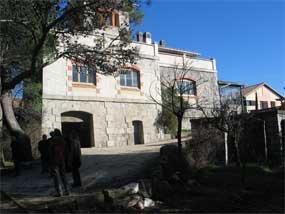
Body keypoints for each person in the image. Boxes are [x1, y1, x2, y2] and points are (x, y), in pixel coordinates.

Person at [49, 129, 70, 197]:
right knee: (63, 175)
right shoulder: (63, 141)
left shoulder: (53, 140)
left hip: (55, 160)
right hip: (62, 160)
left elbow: (51, 151)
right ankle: (67, 190)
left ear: (55, 134)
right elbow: (66, 151)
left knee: (56, 177)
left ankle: (59, 192)